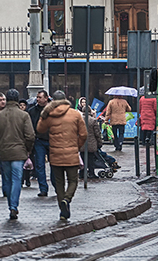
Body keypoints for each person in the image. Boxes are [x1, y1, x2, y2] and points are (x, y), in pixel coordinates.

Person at [37, 90, 87, 220]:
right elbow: (84, 134)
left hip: (55, 154)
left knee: (59, 183)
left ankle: (63, 212)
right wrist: (77, 146)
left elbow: (40, 129)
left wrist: (45, 113)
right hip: (71, 154)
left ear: (53, 100)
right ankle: (67, 199)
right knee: (73, 181)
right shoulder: (75, 114)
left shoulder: (49, 115)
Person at [0, 88, 35, 220]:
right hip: (19, 152)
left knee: (7, 179)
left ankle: (11, 205)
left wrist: (0, 147)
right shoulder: (24, 115)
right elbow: (30, 135)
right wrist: (27, 148)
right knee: (16, 179)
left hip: (4, 152)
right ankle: (13, 206)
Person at [28, 90, 52, 196]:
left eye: (40, 97)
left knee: (54, 164)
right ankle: (43, 188)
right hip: (39, 140)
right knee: (39, 165)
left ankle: (56, 185)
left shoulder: (52, 110)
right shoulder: (32, 111)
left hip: (51, 140)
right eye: (37, 97)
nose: (37, 99)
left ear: (46, 98)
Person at [83, 107, 103, 179]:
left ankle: (82, 173)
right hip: (91, 143)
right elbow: (97, 133)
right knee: (91, 159)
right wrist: (100, 143)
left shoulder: (79, 119)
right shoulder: (93, 120)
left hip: (82, 143)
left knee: (83, 159)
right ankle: (91, 173)